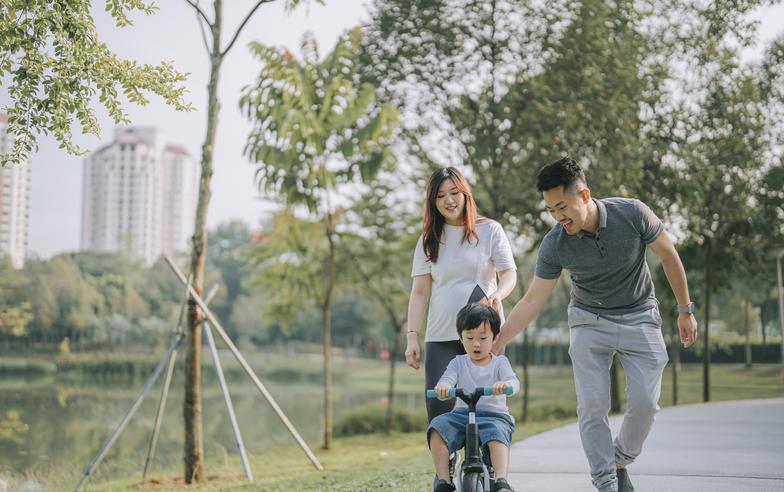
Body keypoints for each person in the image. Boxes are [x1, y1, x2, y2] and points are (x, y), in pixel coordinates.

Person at [493, 157, 698, 492]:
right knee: (591, 408)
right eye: (550, 210)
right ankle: (606, 483)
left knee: (646, 403)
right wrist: (500, 339)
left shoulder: (632, 213)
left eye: (562, 206)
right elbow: (532, 299)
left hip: (640, 315)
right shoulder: (555, 243)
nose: (558, 217)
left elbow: (668, 255)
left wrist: (685, 309)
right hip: (589, 321)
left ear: (584, 195)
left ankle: (618, 461)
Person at [405, 166, 517, 422]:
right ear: (433, 202)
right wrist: (412, 337)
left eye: (455, 193)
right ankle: (446, 461)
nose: (449, 200)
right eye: (441, 195)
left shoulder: (490, 230)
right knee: (438, 406)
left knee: (488, 407)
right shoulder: (428, 239)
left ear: (466, 194)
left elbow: (509, 273)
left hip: (485, 334)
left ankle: (488, 459)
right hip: (441, 334)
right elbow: (420, 292)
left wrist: (499, 293)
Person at [429, 303, 520, 492]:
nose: (476, 343)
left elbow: (513, 382)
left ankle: (502, 481)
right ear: (461, 338)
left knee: (497, 434)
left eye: (482, 338)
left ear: (494, 338)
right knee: (437, 428)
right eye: (469, 337)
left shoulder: (499, 363)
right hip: (462, 414)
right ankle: (444, 480)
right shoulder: (458, 363)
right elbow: (447, 380)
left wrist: (506, 386)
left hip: (494, 415)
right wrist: (444, 388)